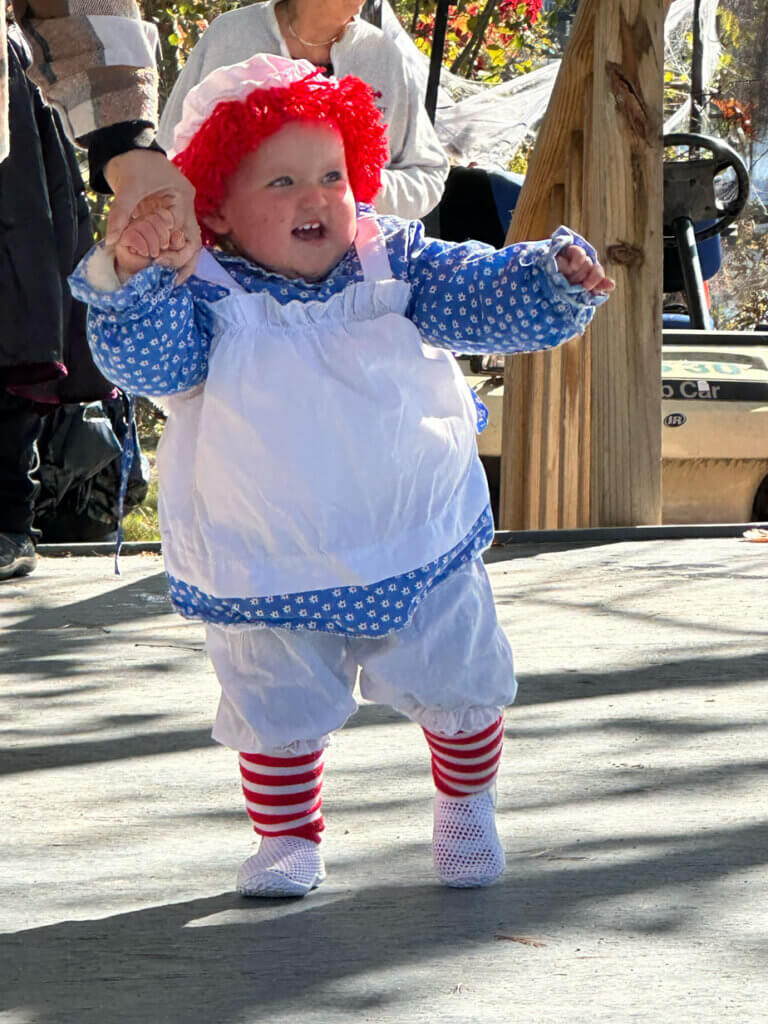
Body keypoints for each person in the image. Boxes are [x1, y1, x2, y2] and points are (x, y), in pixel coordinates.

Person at [71, 54, 613, 897]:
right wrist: (137, 278)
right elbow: (144, 363)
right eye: (280, 182)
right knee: (273, 700)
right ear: (212, 206)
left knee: (457, 672)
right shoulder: (204, 295)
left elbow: (478, 291)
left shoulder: (394, 266)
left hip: (414, 532)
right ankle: (288, 838)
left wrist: (546, 279)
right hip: (267, 554)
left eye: (332, 173)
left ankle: (467, 805)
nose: (316, 197)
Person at [157, 0, 450, 220]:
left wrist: (357, 187)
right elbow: (168, 157)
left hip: (354, 279)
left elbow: (429, 174)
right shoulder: (231, 36)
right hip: (231, 272)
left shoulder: (383, 55)